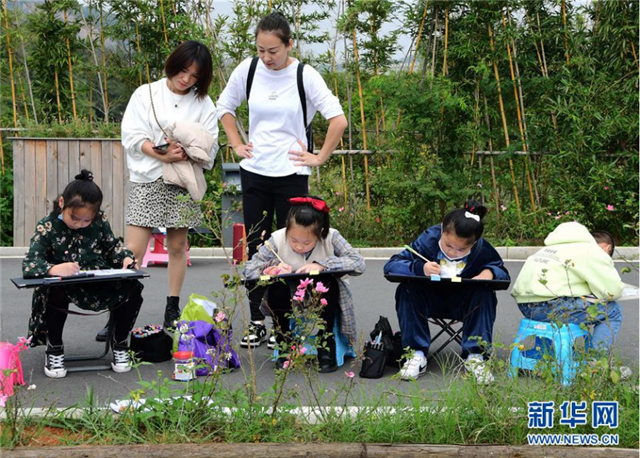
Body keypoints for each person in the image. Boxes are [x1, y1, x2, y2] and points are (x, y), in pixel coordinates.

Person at [216, 12, 348, 348]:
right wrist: (235, 142)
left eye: (273, 50)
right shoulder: (247, 70)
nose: (266, 57)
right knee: (259, 249)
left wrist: (319, 158)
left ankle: (287, 323)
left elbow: (338, 120)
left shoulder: (305, 75)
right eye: (260, 50)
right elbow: (224, 107)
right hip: (255, 170)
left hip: (292, 173)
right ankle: (258, 320)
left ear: (289, 44)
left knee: (293, 248)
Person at [121, 40, 218, 332]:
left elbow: (210, 145)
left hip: (181, 181)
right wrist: (160, 152)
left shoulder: (204, 103)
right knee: (133, 251)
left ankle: (172, 308)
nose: (186, 79)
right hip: (147, 177)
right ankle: (121, 310)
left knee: (177, 246)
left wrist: (186, 152)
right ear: (173, 64)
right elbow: (131, 135)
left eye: (194, 76)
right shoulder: (146, 93)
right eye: (183, 71)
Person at [22, 170, 143, 378]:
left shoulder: (99, 221)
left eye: (87, 220)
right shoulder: (47, 226)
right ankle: (55, 348)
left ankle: (120, 343)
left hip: (96, 280)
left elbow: (113, 248)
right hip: (65, 284)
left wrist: (125, 260)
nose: (80, 224)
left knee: (132, 286)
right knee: (54, 289)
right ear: (62, 202)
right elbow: (30, 263)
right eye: (75, 218)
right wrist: (54, 268)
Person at [384, 200, 510, 383]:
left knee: (485, 293)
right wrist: (421, 268)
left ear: (474, 243)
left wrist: (489, 272)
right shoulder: (427, 241)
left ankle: (476, 357)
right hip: (428, 300)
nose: (453, 252)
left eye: (461, 249)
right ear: (442, 230)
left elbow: (502, 273)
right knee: (407, 288)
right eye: (449, 246)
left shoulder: (482, 249)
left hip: (464, 303)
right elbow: (392, 266)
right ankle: (415, 354)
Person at [243, 196, 365, 372]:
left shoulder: (331, 237)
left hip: (324, 295)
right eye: (293, 240)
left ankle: (326, 341)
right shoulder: (277, 239)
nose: (299, 247)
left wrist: (324, 265)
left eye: (307, 242)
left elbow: (358, 263)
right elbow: (249, 268)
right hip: (290, 296)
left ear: (320, 232)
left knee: (326, 281)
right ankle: (285, 340)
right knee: (277, 286)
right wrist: (269, 269)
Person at [511, 222, 624, 355]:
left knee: (557, 299)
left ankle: (541, 353)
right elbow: (613, 291)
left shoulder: (546, 250)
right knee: (612, 310)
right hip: (551, 307)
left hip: (526, 307)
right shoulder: (589, 250)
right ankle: (596, 362)